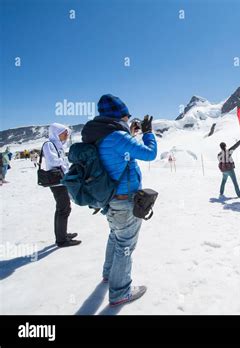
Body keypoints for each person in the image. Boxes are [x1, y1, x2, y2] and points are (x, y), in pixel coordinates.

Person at [81, 94, 157, 307]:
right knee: (125, 245)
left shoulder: (99, 135)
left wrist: (129, 135)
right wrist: (148, 133)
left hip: (111, 200)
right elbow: (150, 154)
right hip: (125, 201)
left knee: (115, 237)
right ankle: (120, 291)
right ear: (118, 116)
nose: (127, 120)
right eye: (126, 116)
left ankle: (108, 274)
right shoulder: (116, 136)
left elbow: (116, 152)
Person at [42, 123, 81, 247]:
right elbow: (52, 161)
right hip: (56, 181)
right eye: (64, 133)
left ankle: (62, 234)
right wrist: (66, 159)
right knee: (63, 209)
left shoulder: (58, 145)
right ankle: (61, 240)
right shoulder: (49, 144)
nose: (66, 135)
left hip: (62, 180)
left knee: (64, 208)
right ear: (57, 132)